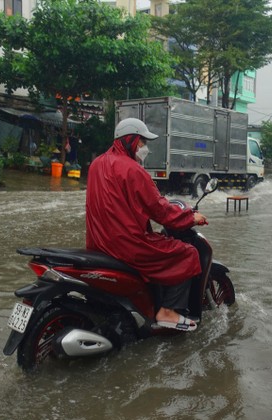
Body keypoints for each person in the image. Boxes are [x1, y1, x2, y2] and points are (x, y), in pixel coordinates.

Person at [85, 118, 207, 332]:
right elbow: (160, 210)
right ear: (131, 140)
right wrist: (190, 217)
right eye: (142, 142)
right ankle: (168, 311)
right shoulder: (133, 170)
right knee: (188, 253)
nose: (145, 148)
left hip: (98, 243)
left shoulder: (96, 165)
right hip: (127, 245)